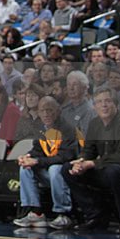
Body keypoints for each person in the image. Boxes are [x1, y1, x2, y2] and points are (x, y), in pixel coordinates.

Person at [62, 87, 120, 233]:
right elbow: (89, 150)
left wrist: (92, 163)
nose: (104, 105)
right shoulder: (95, 123)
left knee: (115, 170)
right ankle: (95, 216)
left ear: (115, 104)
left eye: (107, 101)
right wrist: (81, 162)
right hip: (107, 169)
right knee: (67, 169)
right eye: (99, 102)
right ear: (94, 106)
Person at [13, 97, 78, 230]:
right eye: (42, 110)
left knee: (55, 169)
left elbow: (65, 156)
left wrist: (37, 161)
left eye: (50, 110)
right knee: (25, 168)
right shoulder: (41, 130)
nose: (46, 114)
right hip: (47, 170)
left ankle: (63, 214)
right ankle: (35, 212)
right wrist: (27, 157)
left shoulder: (68, 129)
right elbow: (37, 150)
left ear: (58, 111)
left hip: (67, 173)